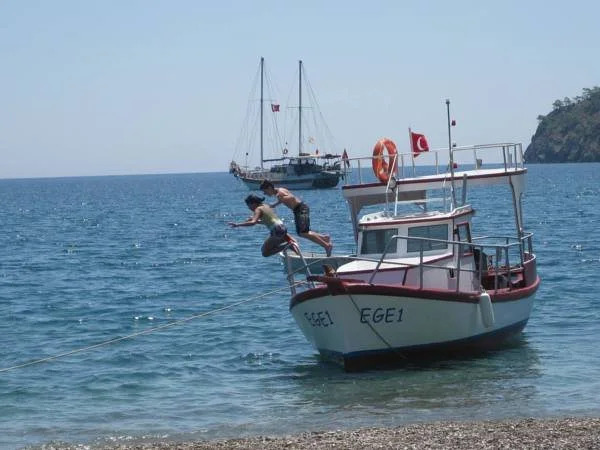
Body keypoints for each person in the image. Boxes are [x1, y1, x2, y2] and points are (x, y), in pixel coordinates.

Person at [259, 180, 333, 257]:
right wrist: (275, 204)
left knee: (303, 233)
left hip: (300, 209)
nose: (265, 194)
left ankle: (326, 245)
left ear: (269, 188)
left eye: (265, 191)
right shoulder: (280, 190)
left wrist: (282, 199)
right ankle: (324, 238)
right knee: (303, 232)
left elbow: (291, 197)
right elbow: (283, 198)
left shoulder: (279, 194)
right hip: (300, 209)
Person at [228, 194, 299, 257]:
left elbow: (253, 222)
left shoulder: (258, 209)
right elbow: (268, 221)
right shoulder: (266, 206)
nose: (249, 208)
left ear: (253, 203)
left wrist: (237, 224)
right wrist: (257, 221)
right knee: (283, 242)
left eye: (248, 205)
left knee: (265, 253)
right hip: (282, 228)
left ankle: (288, 246)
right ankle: (296, 253)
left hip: (276, 230)